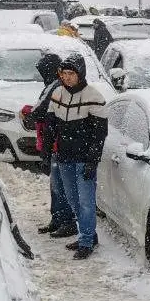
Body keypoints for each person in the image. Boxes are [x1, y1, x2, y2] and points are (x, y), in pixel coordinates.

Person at [46, 53, 106, 259]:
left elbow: (100, 134)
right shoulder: (57, 94)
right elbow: (51, 125)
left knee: (86, 201)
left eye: (71, 73)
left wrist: (92, 160)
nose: (67, 77)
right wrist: (48, 149)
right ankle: (88, 234)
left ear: (80, 74)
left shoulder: (94, 97)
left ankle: (86, 241)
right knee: (72, 199)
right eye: (64, 73)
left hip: (84, 159)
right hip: (64, 157)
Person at [22, 53, 76, 238]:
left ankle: (66, 221)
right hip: (52, 142)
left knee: (61, 186)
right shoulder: (55, 85)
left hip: (56, 143)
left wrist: (27, 113)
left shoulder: (56, 86)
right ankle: (58, 218)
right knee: (56, 185)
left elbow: (40, 112)